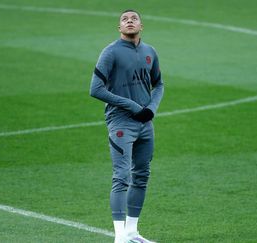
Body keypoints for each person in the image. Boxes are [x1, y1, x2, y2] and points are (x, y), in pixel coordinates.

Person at [89, 9, 164, 243]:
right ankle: (119, 237)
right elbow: (96, 89)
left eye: (134, 18)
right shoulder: (110, 52)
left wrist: (151, 108)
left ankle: (132, 232)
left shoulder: (150, 52)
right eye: (124, 19)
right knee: (121, 176)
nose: (129, 21)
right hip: (121, 122)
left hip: (145, 122)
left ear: (141, 26)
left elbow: (159, 84)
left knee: (142, 175)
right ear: (119, 28)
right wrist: (132, 106)